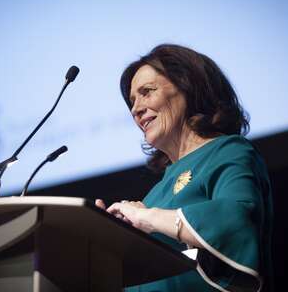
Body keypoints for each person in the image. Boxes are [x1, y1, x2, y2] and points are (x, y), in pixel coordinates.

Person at [96, 44, 273, 292]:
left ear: (188, 87)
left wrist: (147, 217)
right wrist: (108, 239)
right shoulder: (155, 194)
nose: (135, 109)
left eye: (147, 92)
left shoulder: (228, 152)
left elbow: (236, 221)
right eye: (133, 101)